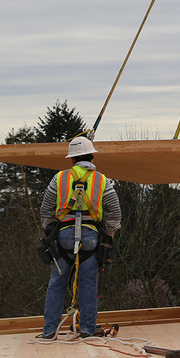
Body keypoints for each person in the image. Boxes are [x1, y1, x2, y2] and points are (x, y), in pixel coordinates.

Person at [39, 136, 122, 339]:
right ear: (92, 157)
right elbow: (115, 213)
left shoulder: (60, 179)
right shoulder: (102, 180)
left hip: (63, 235)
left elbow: (46, 210)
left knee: (57, 283)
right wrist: (109, 234)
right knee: (87, 283)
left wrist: (51, 232)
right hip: (91, 237)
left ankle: (50, 331)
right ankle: (87, 329)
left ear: (72, 159)